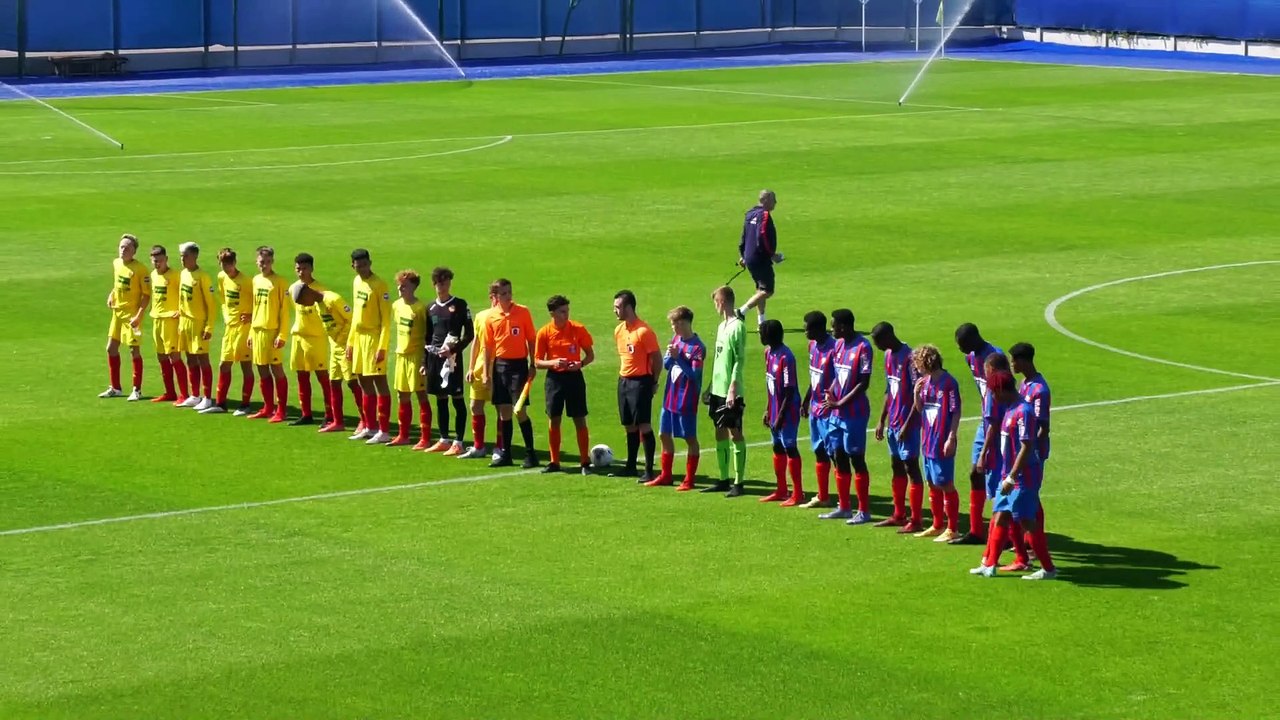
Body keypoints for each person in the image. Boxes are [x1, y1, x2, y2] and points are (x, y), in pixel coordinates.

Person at [971, 370, 1056, 580]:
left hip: (1023, 477)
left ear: (1000, 390)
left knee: (1027, 521)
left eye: (993, 392)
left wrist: (1012, 476)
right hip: (1007, 475)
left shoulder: (1023, 412)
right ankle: (990, 565)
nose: (991, 396)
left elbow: (1026, 446)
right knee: (1000, 516)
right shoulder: (1009, 409)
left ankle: (1048, 569)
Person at [817, 310, 875, 523]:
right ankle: (844, 507)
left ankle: (864, 510)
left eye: (835, 326)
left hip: (854, 414)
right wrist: (831, 391)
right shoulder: (839, 345)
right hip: (836, 413)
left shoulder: (864, 347)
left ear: (845, 326)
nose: (832, 329)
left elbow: (864, 382)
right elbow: (838, 376)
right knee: (838, 456)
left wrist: (840, 402)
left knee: (856, 459)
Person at [952, 322, 1004, 545]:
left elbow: (1003, 391)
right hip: (985, 422)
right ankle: (976, 531)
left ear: (974, 338)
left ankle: (1006, 533)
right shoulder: (971, 358)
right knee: (975, 472)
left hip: (1000, 425)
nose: (961, 350)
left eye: (963, 345)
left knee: (999, 480)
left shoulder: (995, 358)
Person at [533, 295, 595, 474]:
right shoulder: (544, 333)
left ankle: (585, 461)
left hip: (574, 378)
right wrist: (553, 363)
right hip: (555, 379)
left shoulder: (578, 329)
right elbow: (537, 361)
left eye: (567, 311)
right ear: (552, 313)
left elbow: (590, 355)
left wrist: (580, 364)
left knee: (579, 417)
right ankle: (554, 461)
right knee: (554, 418)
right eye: (562, 312)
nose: (566, 314)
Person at [871, 321, 924, 530]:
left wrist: (907, 424)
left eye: (877, 342)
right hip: (893, 422)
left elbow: (918, 395)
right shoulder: (887, 356)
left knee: (911, 467)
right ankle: (899, 514)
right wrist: (881, 419)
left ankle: (916, 519)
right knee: (896, 466)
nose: (876, 346)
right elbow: (888, 389)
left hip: (907, 423)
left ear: (887, 337)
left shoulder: (910, 359)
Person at [481, 278, 539, 468]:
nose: (508, 296)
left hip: (519, 366)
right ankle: (506, 454)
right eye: (504, 293)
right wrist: (486, 373)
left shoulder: (523, 312)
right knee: (504, 412)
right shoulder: (491, 317)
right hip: (500, 366)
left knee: (519, 410)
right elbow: (488, 346)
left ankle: (531, 453)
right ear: (495, 297)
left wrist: (533, 363)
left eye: (509, 292)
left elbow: (531, 338)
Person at [649, 305, 705, 491]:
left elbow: (694, 375)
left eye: (675, 324)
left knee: (690, 438)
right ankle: (666, 475)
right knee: (663, 434)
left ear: (684, 323)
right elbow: (667, 365)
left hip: (686, 400)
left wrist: (679, 357)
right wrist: (669, 357)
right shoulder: (676, 340)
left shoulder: (698, 347)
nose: (673, 328)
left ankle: (689, 480)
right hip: (670, 398)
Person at [910, 344, 962, 540]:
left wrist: (952, 437)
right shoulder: (924, 382)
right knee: (931, 482)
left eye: (917, 362)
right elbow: (920, 408)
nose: (916, 367)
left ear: (926, 361)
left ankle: (953, 528)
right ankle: (937, 524)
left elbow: (956, 411)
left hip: (942, 440)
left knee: (946, 483)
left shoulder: (949, 383)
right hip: (928, 441)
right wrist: (916, 394)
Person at [611, 289, 662, 481]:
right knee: (629, 425)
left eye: (618, 307)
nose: (615, 311)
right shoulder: (619, 330)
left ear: (628, 307)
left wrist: (654, 381)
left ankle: (649, 470)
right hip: (624, 381)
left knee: (644, 425)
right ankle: (631, 466)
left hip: (641, 382)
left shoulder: (644, 331)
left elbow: (657, 359)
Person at [290, 282, 353, 433]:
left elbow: (351, 319)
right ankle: (337, 422)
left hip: (345, 347)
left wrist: (342, 338)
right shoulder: (318, 305)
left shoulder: (333, 299)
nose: (305, 305)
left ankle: (366, 423)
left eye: (303, 302)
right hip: (334, 347)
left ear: (307, 293)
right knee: (334, 383)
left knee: (353, 383)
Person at [423, 267, 473, 455]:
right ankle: (444, 439)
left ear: (450, 283)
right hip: (435, 360)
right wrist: (423, 362)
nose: (442, 285)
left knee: (457, 399)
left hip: (453, 360)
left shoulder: (460, 304)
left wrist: (453, 349)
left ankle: (458, 442)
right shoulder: (430, 308)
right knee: (440, 399)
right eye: (439, 282)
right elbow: (427, 337)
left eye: (446, 282)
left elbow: (469, 335)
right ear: (434, 284)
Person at [345, 248, 392, 443]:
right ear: (353, 266)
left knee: (380, 383)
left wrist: (382, 347)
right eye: (359, 265)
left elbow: (386, 321)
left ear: (370, 263)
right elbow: (356, 315)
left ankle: (384, 430)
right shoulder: (357, 282)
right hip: (359, 338)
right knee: (363, 382)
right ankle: (370, 426)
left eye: (365, 264)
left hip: (374, 338)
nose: (362, 268)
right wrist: (350, 342)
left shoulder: (380, 285)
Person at [705, 286, 747, 496]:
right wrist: (711, 386)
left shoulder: (738, 327)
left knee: (735, 432)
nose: (715, 306)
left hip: (731, 391)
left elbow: (739, 360)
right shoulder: (722, 326)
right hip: (717, 389)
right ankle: (723, 479)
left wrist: (733, 389)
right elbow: (719, 359)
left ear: (721, 302)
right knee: (719, 430)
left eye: (716, 302)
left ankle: (739, 482)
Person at [201, 248, 255, 415]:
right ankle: (221, 403)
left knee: (246, 366)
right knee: (224, 364)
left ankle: (245, 404)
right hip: (229, 328)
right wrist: (226, 315)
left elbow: (259, 303)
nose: (227, 267)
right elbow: (223, 299)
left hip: (244, 329)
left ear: (235, 263)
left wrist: (251, 315)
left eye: (229, 264)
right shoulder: (221, 277)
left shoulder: (246, 282)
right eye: (223, 264)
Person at [1012, 341, 1052, 551]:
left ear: (1023, 361)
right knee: (1027, 495)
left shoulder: (1040, 389)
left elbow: (1042, 426)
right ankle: (1027, 539)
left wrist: (1031, 451)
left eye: (1014, 360)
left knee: (1032, 494)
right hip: (1024, 450)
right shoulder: (1025, 384)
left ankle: (1035, 543)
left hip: (1034, 452)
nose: (1012, 364)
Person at [102, 234, 150, 401]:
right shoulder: (116, 263)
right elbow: (117, 284)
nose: (123, 250)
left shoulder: (140, 269)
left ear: (134, 251)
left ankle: (137, 390)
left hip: (132, 316)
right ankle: (115, 387)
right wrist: (112, 294)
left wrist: (138, 316)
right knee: (111, 348)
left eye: (127, 248)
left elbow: (146, 295)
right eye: (121, 247)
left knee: (133, 350)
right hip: (117, 314)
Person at [387, 270, 432, 448]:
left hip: (416, 356)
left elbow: (428, 334)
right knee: (402, 394)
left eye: (404, 285)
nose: (400, 287)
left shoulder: (420, 309)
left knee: (421, 394)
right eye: (399, 284)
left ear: (414, 287)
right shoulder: (396, 305)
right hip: (401, 355)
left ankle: (425, 438)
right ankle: (403, 435)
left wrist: (424, 361)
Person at [760, 319, 803, 504]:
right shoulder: (769, 353)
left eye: (762, 333)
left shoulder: (786, 358)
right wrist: (768, 409)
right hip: (775, 411)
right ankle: (781, 489)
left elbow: (789, 390)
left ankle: (798, 494)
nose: (760, 336)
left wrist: (780, 416)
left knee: (790, 448)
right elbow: (771, 386)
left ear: (770, 335)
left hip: (788, 412)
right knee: (777, 448)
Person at [246, 246, 290, 423]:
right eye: (261, 262)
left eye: (267, 261)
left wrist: (282, 335)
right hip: (257, 331)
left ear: (272, 261)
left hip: (272, 332)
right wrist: (250, 332)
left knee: (277, 370)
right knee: (262, 369)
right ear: (256, 261)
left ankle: (281, 410)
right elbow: (255, 307)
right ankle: (268, 407)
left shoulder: (279, 282)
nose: (264, 265)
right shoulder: (256, 280)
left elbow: (284, 311)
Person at [799, 311, 837, 509]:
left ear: (817, 329)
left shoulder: (834, 349)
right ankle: (823, 496)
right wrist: (806, 400)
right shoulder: (812, 346)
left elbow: (839, 379)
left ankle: (843, 498)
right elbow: (814, 376)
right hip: (815, 409)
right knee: (819, 451)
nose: (804, 331)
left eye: (807, 328)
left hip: (829, 411)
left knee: (836, 454)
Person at [459, 289, 501, 460]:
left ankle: (500, 447)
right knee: (475, 406)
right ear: (491, 297)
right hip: (479, 365)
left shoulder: (505, 317)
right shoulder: (481, 316)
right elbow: (476, 341)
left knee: (501, 408)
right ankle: (479, 446)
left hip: (498, 365)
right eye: (498, 296)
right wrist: (470, 368)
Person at [735, 190, 784, 326]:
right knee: (767, 290)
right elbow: (762, 236)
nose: (776, 202)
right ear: (766, 200)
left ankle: (761, 322)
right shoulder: (764, 215)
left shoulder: (750, 214)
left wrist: (743, 255)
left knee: (760, 290)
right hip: (760, 257)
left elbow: (743, 236)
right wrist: (772, 254)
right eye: (774, 199)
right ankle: (741, 311)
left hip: (750, 257)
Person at [177, 242, 216, 412]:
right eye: (181, 256)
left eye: (185, 256)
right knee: (190, 358)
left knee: (203, 359)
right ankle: (194, 395)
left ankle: (207, 397)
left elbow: (211, 305)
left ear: (194, 256)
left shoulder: (203, 277)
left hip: (199, 324)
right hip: (185, 323)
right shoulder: (183, 273)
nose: (182, 259)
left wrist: (209, 327)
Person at [148, 244, 186, 406]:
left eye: (160, 261)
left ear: (167, 260)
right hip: (156, 319)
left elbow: (184, 295)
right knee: (161, 356)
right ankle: (170, 392)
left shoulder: (176, 276)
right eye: (155, 261)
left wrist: (181, 311)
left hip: (170, 320)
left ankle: (184, 395)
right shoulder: (153, 275)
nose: (158, 264)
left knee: (174, 356)